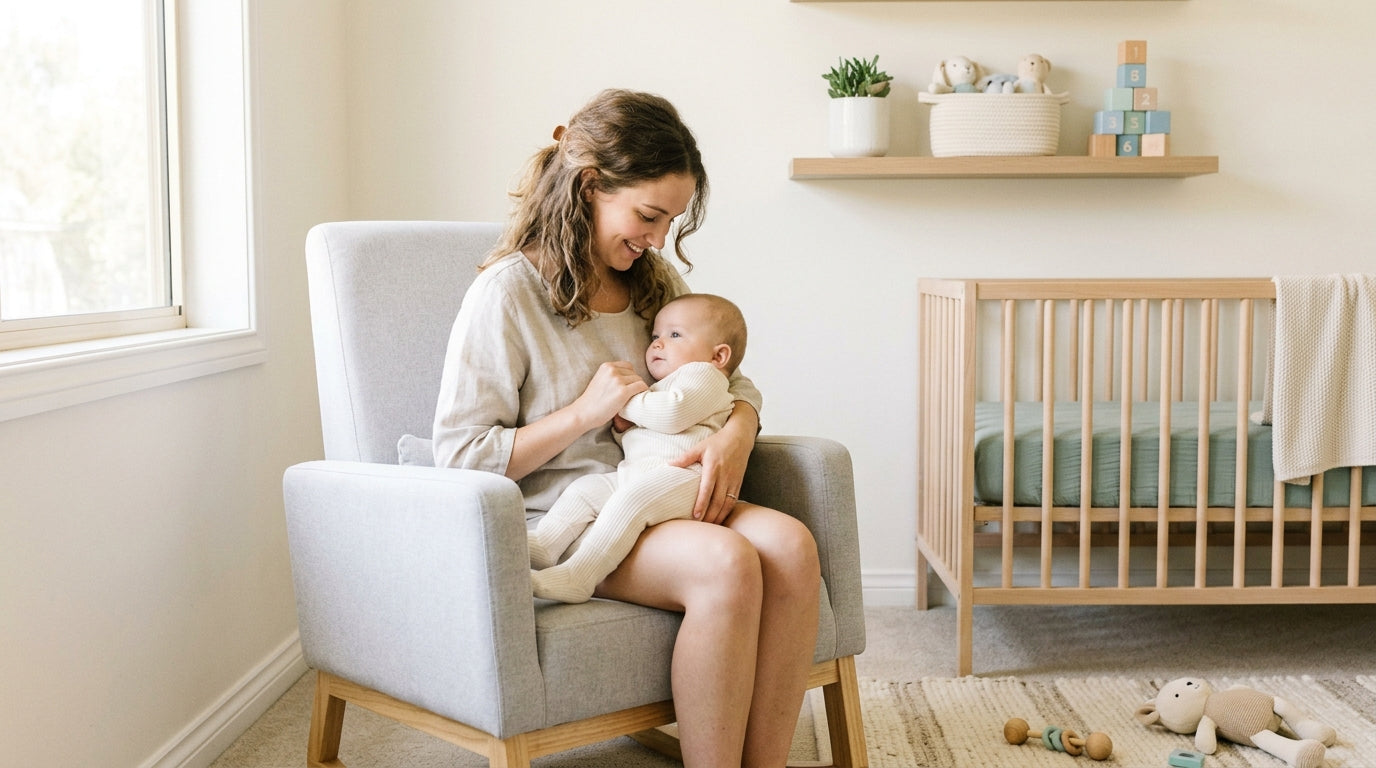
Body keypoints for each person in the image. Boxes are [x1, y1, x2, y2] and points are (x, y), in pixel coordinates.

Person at [431, 89, 820, 768]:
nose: (658, 239)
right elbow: (461, 459)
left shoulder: (650, 280)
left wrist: (739, 428)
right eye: (648, 215)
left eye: (670, 220)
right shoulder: (506, 293)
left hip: (658, 490)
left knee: (791, 546)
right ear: (590, 186)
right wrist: (583, 413)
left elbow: (723, 372)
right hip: (571, 515)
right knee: (725, 564)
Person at [528, 293, 748, 603]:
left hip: (686, 475)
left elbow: (673, 414)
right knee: (585, 490)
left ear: (718, 356)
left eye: (674, 335)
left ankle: (579, 577)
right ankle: (546, 542)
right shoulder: (666, 385)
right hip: (641, 472)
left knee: (630, 501)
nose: (658, 344)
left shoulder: (705, 376)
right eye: (656, 336)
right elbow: (648, 434)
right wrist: (624, 430)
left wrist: (622, 402)